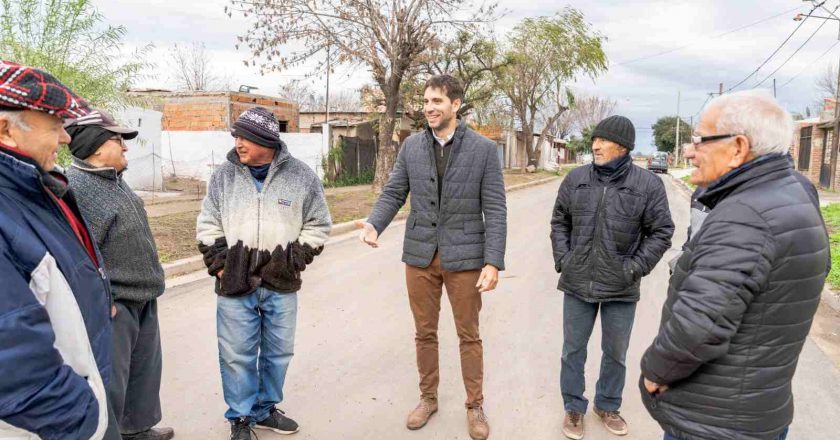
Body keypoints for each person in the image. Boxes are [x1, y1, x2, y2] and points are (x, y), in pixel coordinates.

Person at [640, 90, 830, 440]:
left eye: (699, 139)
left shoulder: (746, 215)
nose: (689, 150)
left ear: (738, 147)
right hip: (758, 411)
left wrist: (655, 371)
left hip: (714, 422)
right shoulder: (793, 193)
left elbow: (699, 326)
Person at [356, 74, 506, 440]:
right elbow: (394, 192)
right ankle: (428, 398)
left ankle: (475, 405)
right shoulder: (411, 147)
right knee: (424, 333)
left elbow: (496, 209)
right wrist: (376, 224)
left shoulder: (484, 150)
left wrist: (492, 262)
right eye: (426, 101)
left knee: (468, 335)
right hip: (420, 255)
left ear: (456, 105)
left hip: (466, 257)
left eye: (437, 101)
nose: (429, 108)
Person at [196, 107, 332, 440]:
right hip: (234, 282)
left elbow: (319, 223)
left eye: (244, 137)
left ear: (265, 140)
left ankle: (264, 409)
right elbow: (208, 223)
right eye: (236, 136)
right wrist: (221, 264)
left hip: (281, 284)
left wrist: (294, 259)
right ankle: (240, 418)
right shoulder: (224, 177)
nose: (237, 142)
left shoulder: (301, 176)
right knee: (235, 354)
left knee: (279, 352)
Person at [0, 61, 113, 439]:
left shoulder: (36, 187)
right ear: (6, 129)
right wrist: (84, 419)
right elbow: (13, 364)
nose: (66, 139)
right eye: (55, 126)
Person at [550, 115, 674, 439]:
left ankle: (607, 404)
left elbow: (661, 232)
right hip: (578, 283)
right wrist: (564, 259)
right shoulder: (576, 179)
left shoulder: (648, 185)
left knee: (615, 353)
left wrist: (634, 267)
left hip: (621, 286)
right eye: (594, 139)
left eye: (602, 140)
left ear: (622, 146)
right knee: (572, 350)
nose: (595, 145)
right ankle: (574, 408)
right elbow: (559, 221)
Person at [64, 110, 174, 440]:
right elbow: (78, 256)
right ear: (96, 147)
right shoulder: (79, 189)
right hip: (115, 303)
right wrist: (101, 298)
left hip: (142, 296)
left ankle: (137, 429)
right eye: (118, 141)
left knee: (143, 372)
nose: (126, 148)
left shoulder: (113, 181)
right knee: (111, 381)